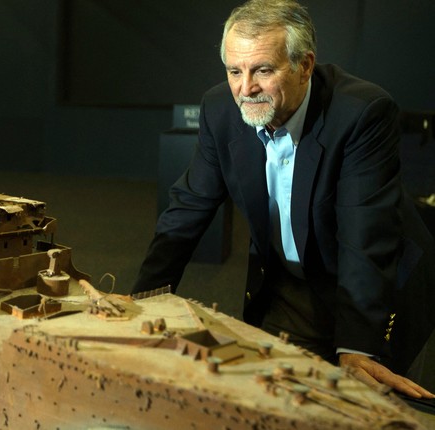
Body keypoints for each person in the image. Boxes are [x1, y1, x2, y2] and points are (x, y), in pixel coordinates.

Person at [133, 0, 435, 398]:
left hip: (372, 281)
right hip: (288, 281)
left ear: (305, 66)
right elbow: (189, 208)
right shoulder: (220, 108)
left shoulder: (361, 113)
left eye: (263, 70)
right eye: (234, 71)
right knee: (277, 394)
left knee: (362, 400)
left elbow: (365, 235)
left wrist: (358, 346)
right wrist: (140, 301)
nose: (245, 88)